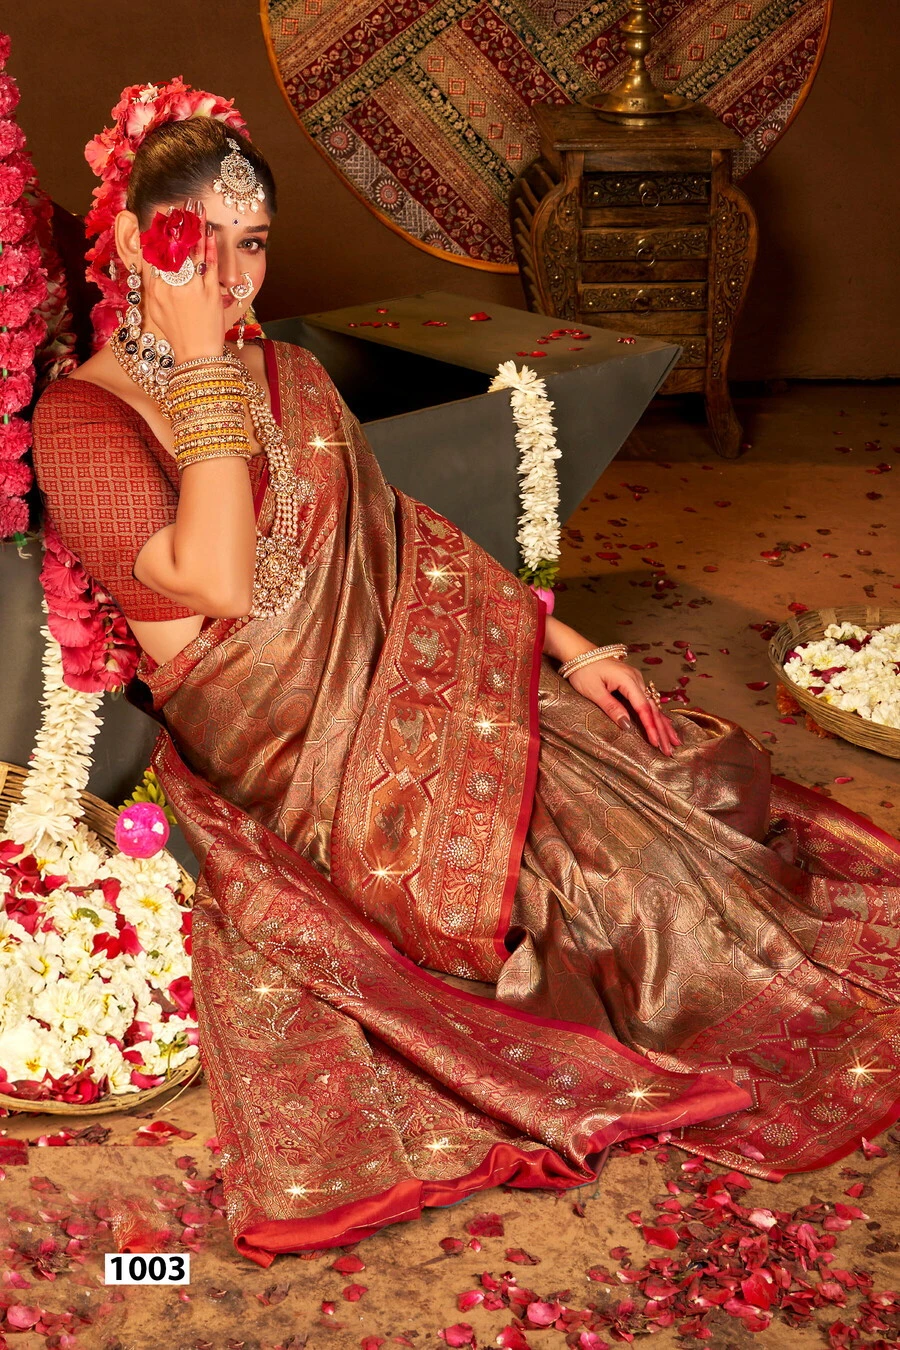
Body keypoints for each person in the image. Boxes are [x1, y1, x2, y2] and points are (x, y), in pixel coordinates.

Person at [31, 81, 900, 1268]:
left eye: (253, 244)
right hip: (295, 759)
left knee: (688, 796)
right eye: (197, 242)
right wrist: (196, 364)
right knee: (573, 907)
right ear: (136, 242)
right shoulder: (83, 423)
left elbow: (406, 540)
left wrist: (571, 648)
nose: (229, 278)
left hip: (416, 683)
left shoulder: (288, 377)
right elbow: (222, 582)